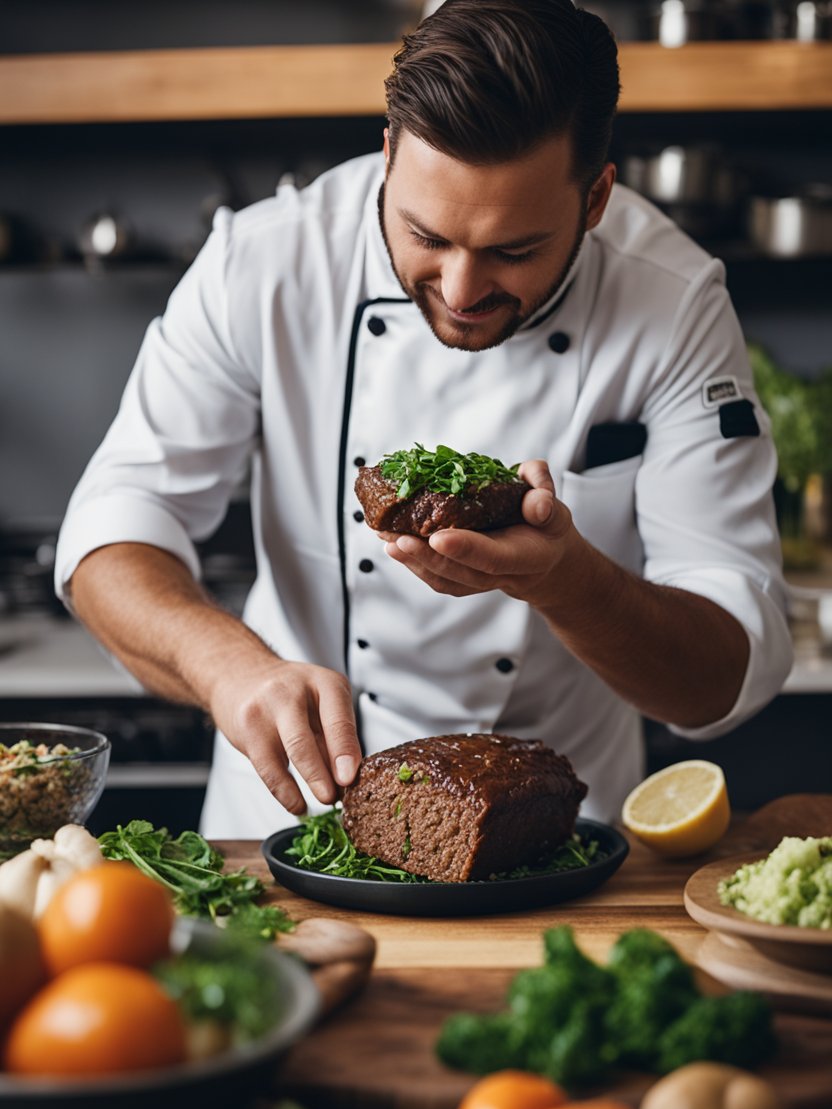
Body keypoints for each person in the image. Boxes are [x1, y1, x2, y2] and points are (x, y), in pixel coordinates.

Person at [54, 0, 792, 837]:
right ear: (387, 156)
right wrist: (228, 667)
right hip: (286, 830)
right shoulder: (264, 263)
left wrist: (565, 582)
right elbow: (110, 538)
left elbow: (725, 672)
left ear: (595, 199)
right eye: (424, 233)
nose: (463, 287)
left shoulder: (673, 300)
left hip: (554, 844)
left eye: (514, 250)